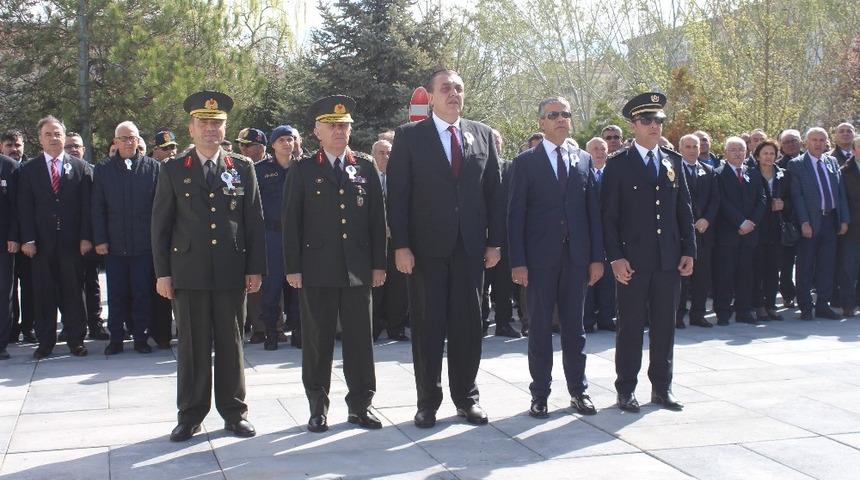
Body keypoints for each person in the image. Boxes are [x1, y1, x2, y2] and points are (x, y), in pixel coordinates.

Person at [388, 69, 503, 428]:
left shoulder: (481, 134)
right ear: (431, 97)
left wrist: (495, 242)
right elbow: (398, 196)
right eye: (446, 88)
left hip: (470, 249)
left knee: (469, 325)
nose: (454, 93)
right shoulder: (410, 136)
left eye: (459, 88)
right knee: (428, 326)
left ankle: (467, 398)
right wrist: (401, 246)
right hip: (426, 251)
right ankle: (428, 402)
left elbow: (494, 193)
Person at [151, 90, 265, 441]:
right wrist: (163, 273)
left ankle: (234, 412)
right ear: (191, 128)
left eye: (217, 123)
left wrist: (255, 268)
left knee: (232, 343)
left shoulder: (241, 167)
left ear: (225, 128)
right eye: (204, 123)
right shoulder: (173, 168)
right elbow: (160, 225)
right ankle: (190, 414)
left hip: (231, 269)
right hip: (189, 270)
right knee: (192, 346)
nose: (211, 129)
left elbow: (253, 221)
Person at [282, 95, 387, 432]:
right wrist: (293, 267)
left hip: (357, 269)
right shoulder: (303, 169)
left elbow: (377, 220)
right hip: (317, 268)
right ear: (317, 131)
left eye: (344, 126)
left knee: (360, 342)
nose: (340, 131)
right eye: (332, 126)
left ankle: (361, 405)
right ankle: (317, 407)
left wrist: (379, 264)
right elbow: (291, 222)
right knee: (317, 342)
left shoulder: (365, 167)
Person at [508, 97, 603, 418]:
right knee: (539, 329)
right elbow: (515, 216)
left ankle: (579, 391)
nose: (561, 119)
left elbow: (592, 213)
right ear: (541, 122)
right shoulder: (525, 162)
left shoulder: (584, 159)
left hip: (576, 259)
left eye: (565, 114)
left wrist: (596, 258)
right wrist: (518, 261)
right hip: (539, 261)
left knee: (575, 329)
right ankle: (540, 394)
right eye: (553, 115)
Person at [602, 92, 695, 412]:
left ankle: (662, 387)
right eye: (646, 120)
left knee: (665, 326)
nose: (654, 126)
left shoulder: (672, 161)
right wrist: (615, 257)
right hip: (633, 261)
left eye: (658, 120)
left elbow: (684, 210)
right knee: (630, 327)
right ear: (634, 125)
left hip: (668, 259)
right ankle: (626, 389)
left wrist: (689, 250)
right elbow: (608, 217)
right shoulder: (619, 164)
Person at [18, 116, 93, 359]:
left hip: (72, 242)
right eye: (48, 134)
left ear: (64, 136)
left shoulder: (80, 167)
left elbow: (87, 207)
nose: (54, 138)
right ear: (40, 139)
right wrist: (28, 239)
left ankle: (76, 340)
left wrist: (86, 237)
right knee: (44, 293)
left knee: (73, 291)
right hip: (41, 244)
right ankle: (45, 342)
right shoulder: (29, 170)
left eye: (58, 134)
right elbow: (25, 207)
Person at [92, 121, 161, 354]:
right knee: (116, 294)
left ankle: (141, 337)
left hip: (144, 245)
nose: (128, 142)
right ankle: (116, 338)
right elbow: (97, 207)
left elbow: (159, 208)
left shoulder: (153, 168)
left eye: (132, 137)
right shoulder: (103, 170)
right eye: (123, 138)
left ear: (138, 140)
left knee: (142, 292)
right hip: (114, 245)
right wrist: (100, 239)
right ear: (116, 142)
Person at [789, 127, 849, 320]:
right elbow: (797, 197)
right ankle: (806, 306)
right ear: (806, 142)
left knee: (827, 265)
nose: (818, 143)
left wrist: (844, 219)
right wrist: (804, 222)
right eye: (814, 140)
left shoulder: (832, 162)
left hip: (830, 220)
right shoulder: (797, 164)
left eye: (822, 140)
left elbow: (840, 193)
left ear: (826, 142)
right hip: (810, 222)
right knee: (805, 265)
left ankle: (823, 304)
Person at [254, 124, 301, 350]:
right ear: (272, 145)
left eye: (290, 139)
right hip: (271, 235)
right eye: (281, 140)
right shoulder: (260, 170)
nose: (287, 143)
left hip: (298, 236)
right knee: (271, 288)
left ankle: (299, 332)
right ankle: (271, 333)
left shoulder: (303, 167)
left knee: (299, 287)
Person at [712, 137, 767, 325]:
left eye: (741, 150)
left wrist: (752, 222)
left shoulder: (753, 172)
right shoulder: (717, 174)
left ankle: (744, 310)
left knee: (746, 274)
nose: (738, 153)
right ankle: (723, 311)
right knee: (725, 274)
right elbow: (721, 201)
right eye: (733, 149)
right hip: (728, 233)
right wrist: (740, 222)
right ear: (725, 152)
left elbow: (762, 199)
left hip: (750, 233)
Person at [64, 132, 108, 340]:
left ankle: (95, 324)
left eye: (77, 146)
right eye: (69, 146)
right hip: (65, 238)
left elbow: (98, 207)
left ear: (83, 149)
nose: (73, 150)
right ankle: (70, 325)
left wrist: (92, 237)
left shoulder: (93, 171)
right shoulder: (60, 172)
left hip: (90, 238)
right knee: (68, 285)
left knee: (92, 283)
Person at [676, 134, 719, 328]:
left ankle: (698, 314)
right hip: (681, 233)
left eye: (695, 146)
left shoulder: (708, 171)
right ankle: (677, 315)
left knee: (702, 275)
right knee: (681, 276)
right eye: (688, 146)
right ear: (680, 149)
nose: (692, 150)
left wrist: (706, 219)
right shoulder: (673, 169)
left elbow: (715, 199)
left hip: (703, 232)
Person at [370, 138, 410, 342]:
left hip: (398, 241)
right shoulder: (366, 178)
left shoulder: (401, 178)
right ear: (373, 155)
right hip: (374, 242)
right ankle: (373, 327)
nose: (386, 157)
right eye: (381, 153)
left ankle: (396, 327)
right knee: (375, 284)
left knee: (398, 286)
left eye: (389, 153)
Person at [482, 129, 520, 338]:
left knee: (504, 283)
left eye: (498, 141)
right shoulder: (476, 167)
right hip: (480, 235)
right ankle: (480, 322)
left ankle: (503, 323)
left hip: (504, 236)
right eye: (492, 141)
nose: (495, 144)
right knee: (481, 283)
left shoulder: (511, 167)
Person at [2, 131, 34, 345]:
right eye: (9, 145)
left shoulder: (30, 168)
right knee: (7, 288)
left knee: (30, 285)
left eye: (18, 145)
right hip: (7, 242)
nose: (14, 149)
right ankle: (11, 329)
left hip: (29, 239)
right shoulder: (4, 167)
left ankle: (29, 327)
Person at [752, 139, 789, 321]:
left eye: (772, 153)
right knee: (758, 268)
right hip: (757, 228)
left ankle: (771, 305)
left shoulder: (783, 174)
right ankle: (759, 305)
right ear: (758, 156)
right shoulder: (751, 174)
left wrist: (784, 204)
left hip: (776, 228)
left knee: (773, 269)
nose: (768, 157)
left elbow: (792, 198)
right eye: (765, 153)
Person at [582, 137, 616, 332]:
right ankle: (587, 320)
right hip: (587, 234)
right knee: (588, 277)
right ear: (587, 152)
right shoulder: (581, 173)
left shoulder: (613, 173)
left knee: (609, 279)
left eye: (603, 149)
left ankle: (606, 317)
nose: (600, 152)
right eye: (595, 149)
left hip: (609, 233)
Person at [149, 130, 178, 349]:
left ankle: (181, 330)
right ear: (155, 151)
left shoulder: (179, 168)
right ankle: (161, 335)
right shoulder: (150, 170)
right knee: (159, 291)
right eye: (165, 148)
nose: (170, 152)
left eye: (173, 147)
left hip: (178, 240)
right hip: (156, 238)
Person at [777, 129, 804, 307]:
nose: (791, 145)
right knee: (786, 263)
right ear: (781, 146)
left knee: (806, 262)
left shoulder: (809, 161)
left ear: (801, 142)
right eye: (786, 142)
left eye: (794, 140)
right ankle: (788, 294)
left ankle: (804, 295)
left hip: (809, 218)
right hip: (788, 221)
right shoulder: (778, 166)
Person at [838, 135, 860, 317]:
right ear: (853, 150)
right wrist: (844, 221)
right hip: (852, 227)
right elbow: (842, 200)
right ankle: (848, 304)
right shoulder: (844, 172)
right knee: (848, 268)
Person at [0, 152, 18, 359]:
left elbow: (16, 206)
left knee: (3, 293)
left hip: (3, 242)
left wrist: (14, 236)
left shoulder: (8, 166)